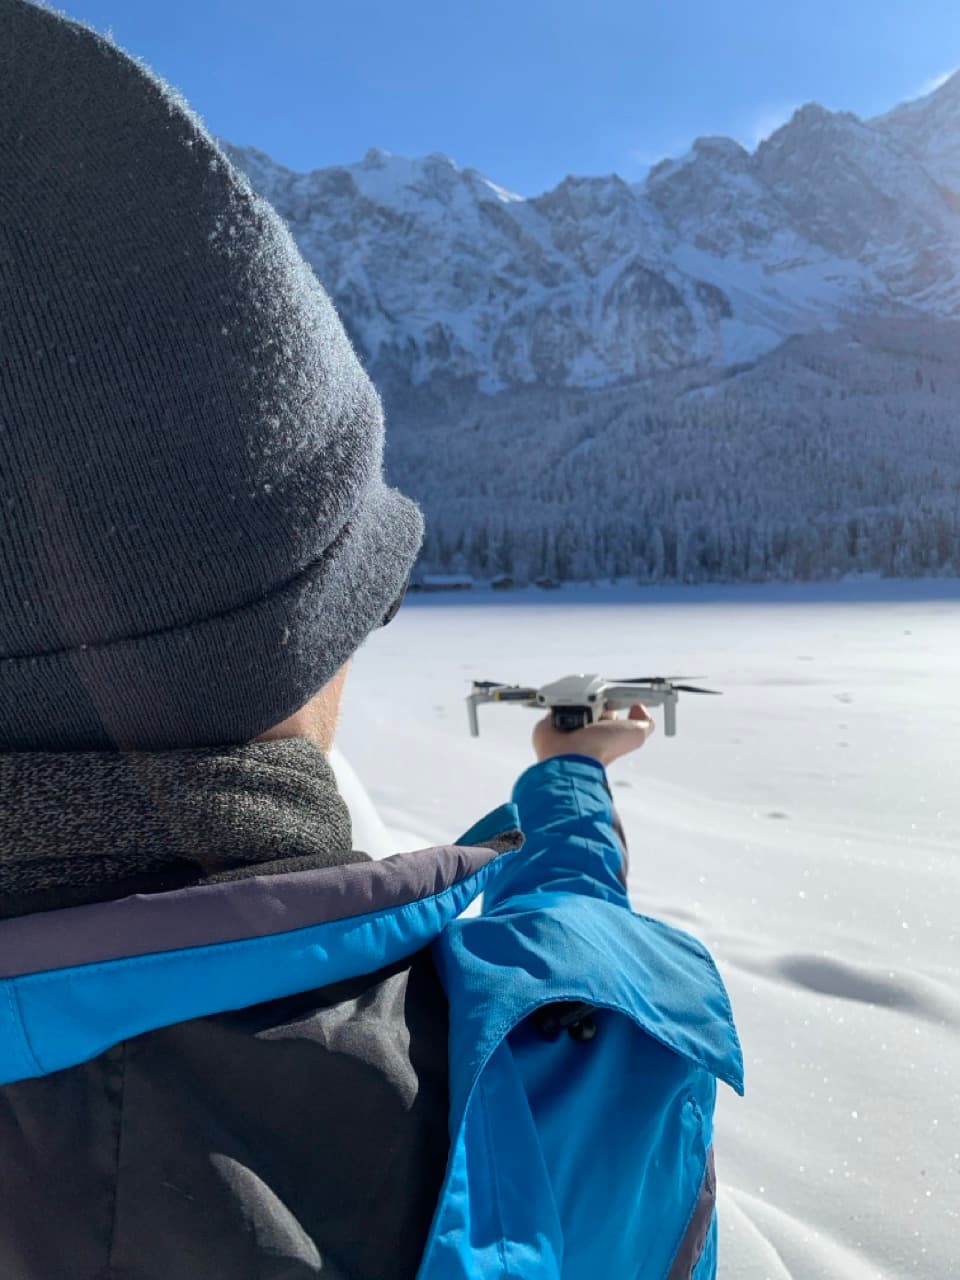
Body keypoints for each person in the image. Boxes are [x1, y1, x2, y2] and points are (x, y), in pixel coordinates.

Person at [0, 2, 743, 1277]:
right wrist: (568, 778)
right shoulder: (557, 1104)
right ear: (289, 651)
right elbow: (557, 975)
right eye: (357, 597)